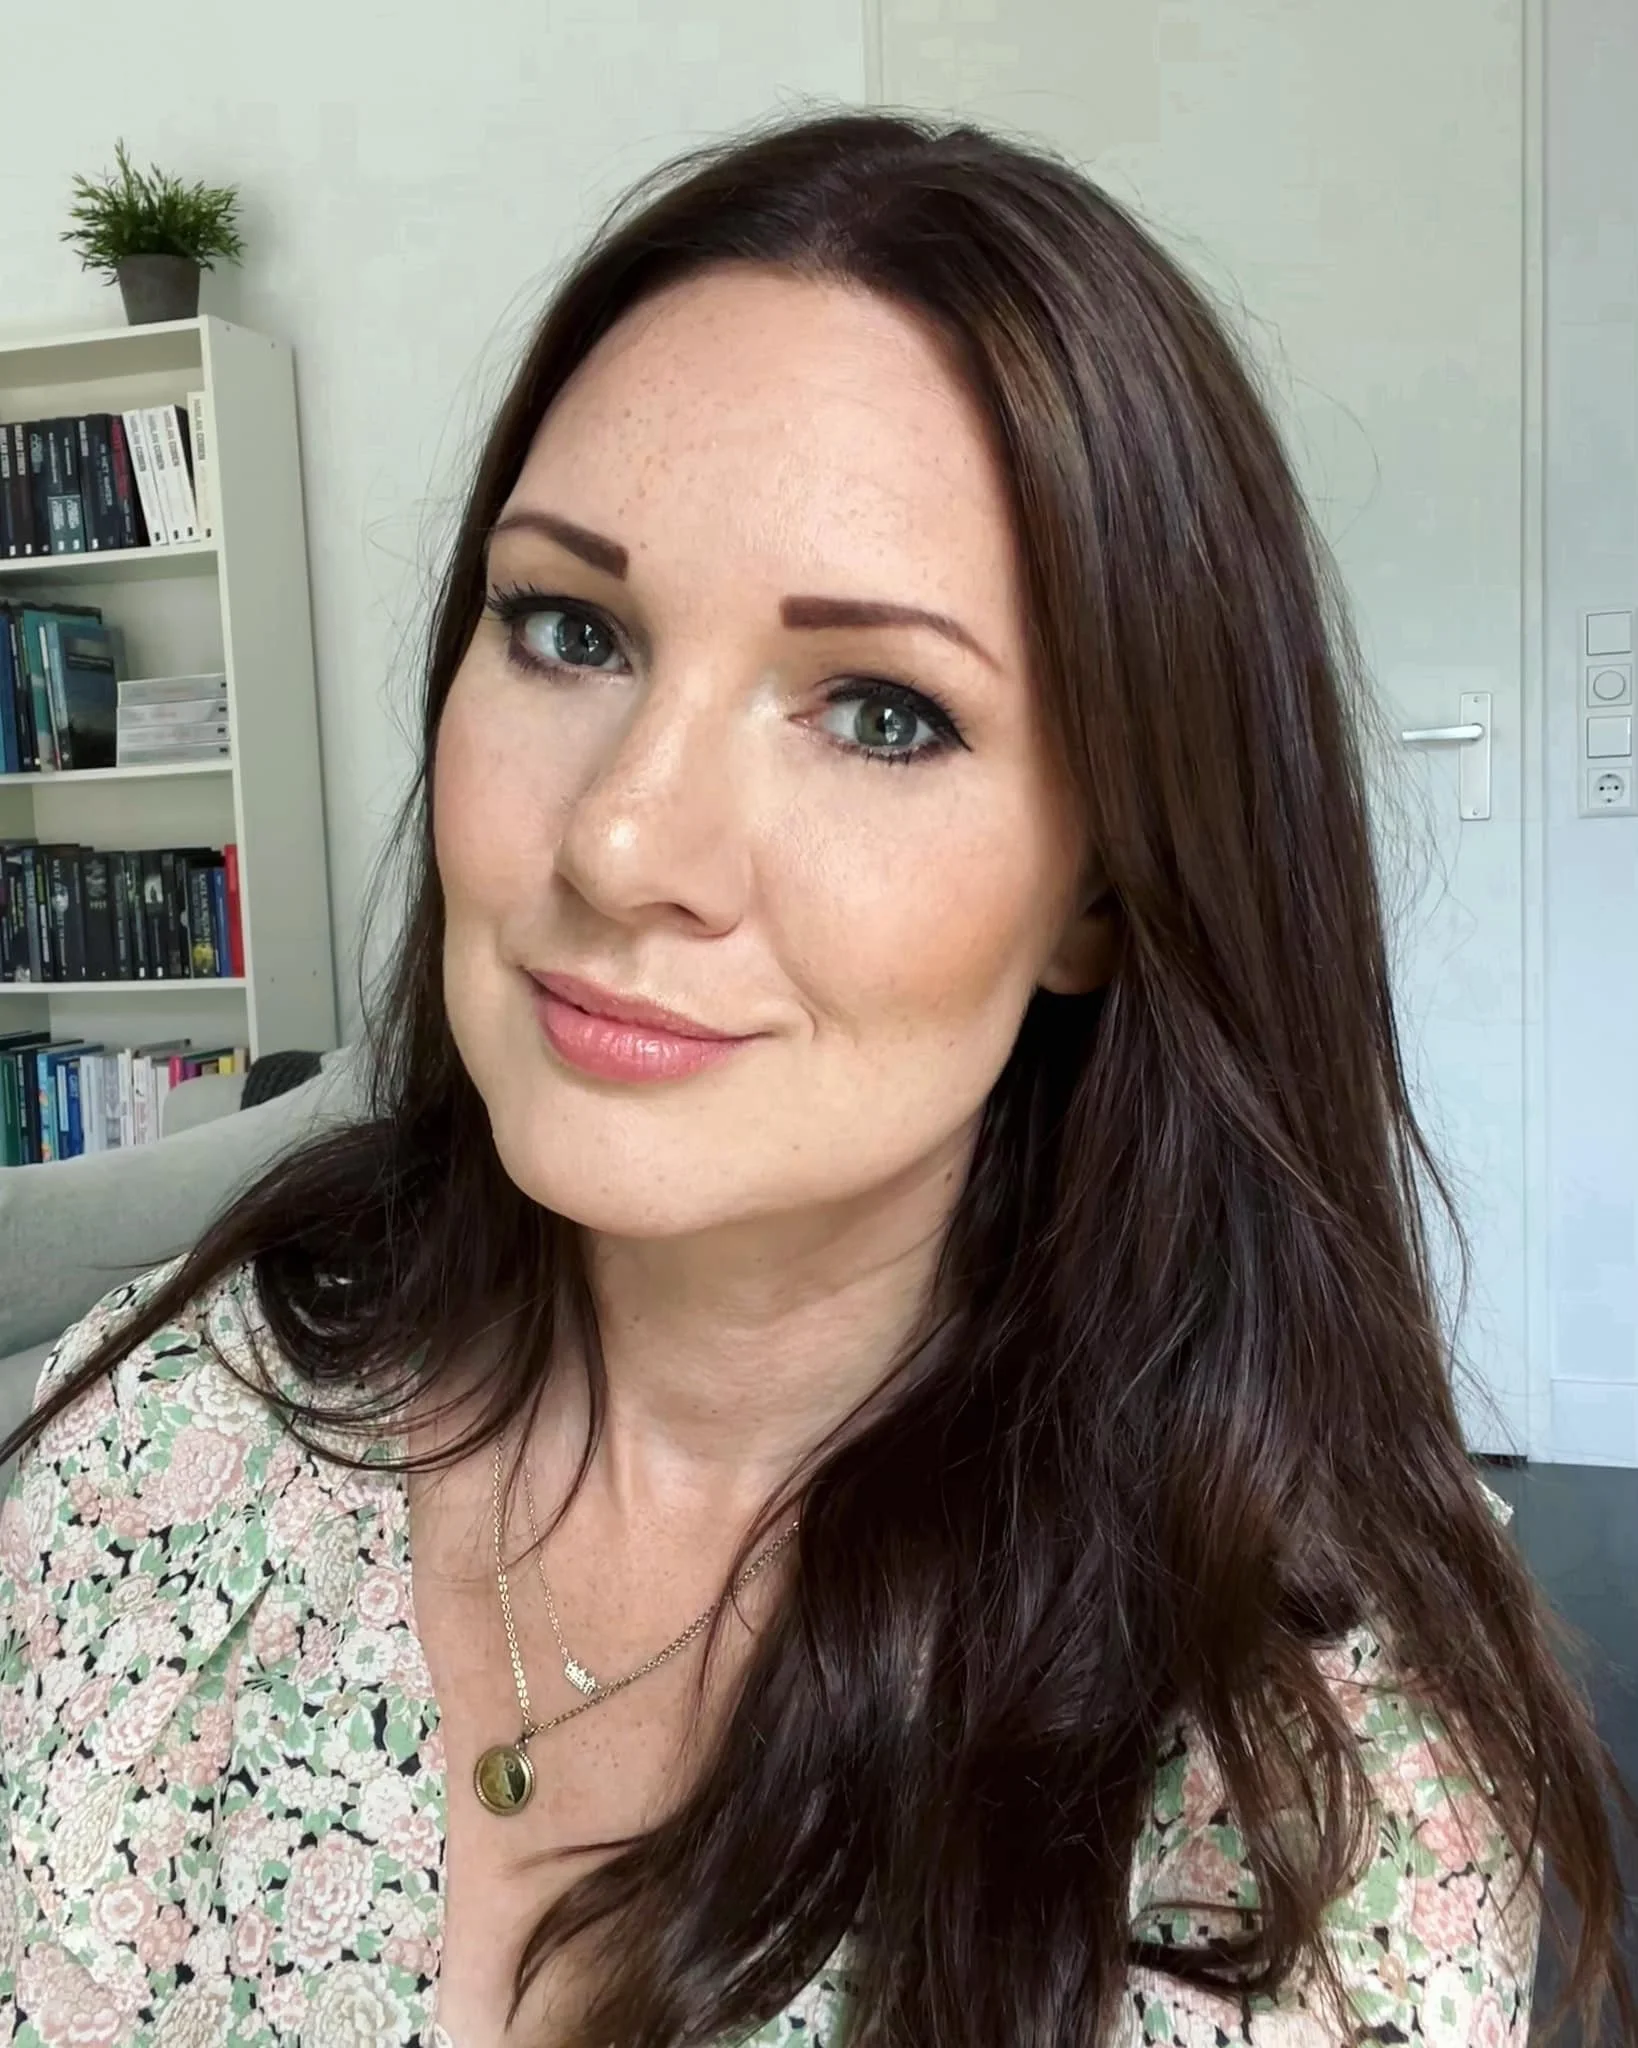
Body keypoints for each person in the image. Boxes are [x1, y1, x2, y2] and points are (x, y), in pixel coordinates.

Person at [0, 109, 1630, 2048]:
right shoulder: (152, 1452)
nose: (619, 843)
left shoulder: (1303, 1786)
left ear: (1100, 889)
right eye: (569, 626)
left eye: (880, 711)